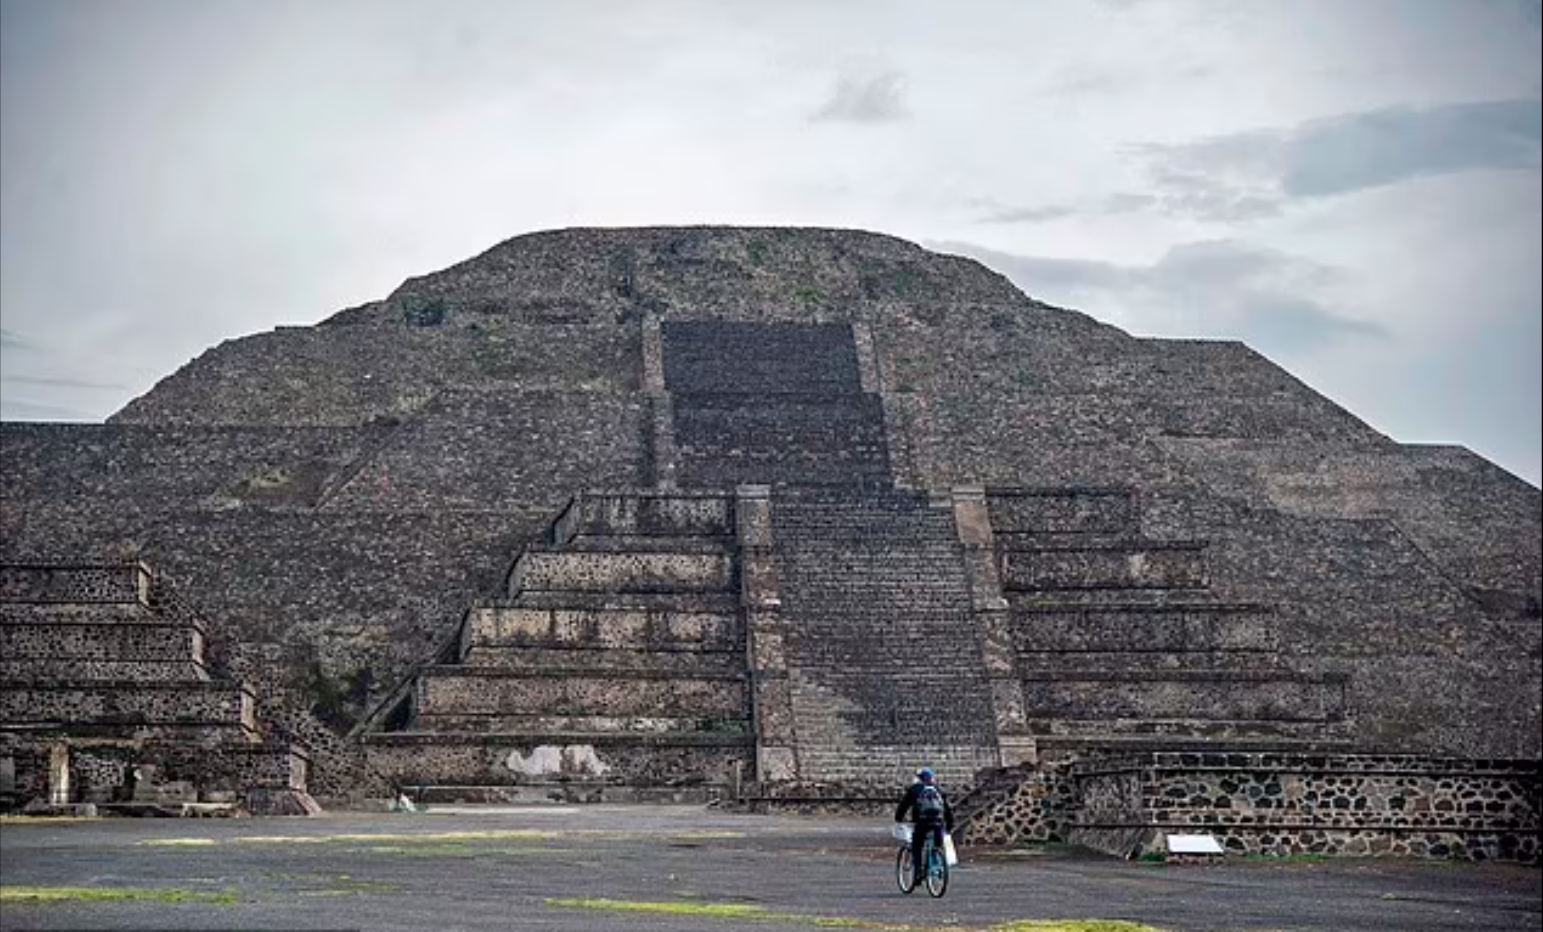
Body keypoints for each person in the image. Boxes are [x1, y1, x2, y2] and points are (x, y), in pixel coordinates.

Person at [894, 767, 954, 885]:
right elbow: (947, 810)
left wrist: (898, 819)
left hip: (921, 823)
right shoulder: (938, 790)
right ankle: (937, 861)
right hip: (938, 823)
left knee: (917, 846)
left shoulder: (914, 789)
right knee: (937, 845)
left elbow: (903, 806)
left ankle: (918, 873)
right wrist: (949, 826)